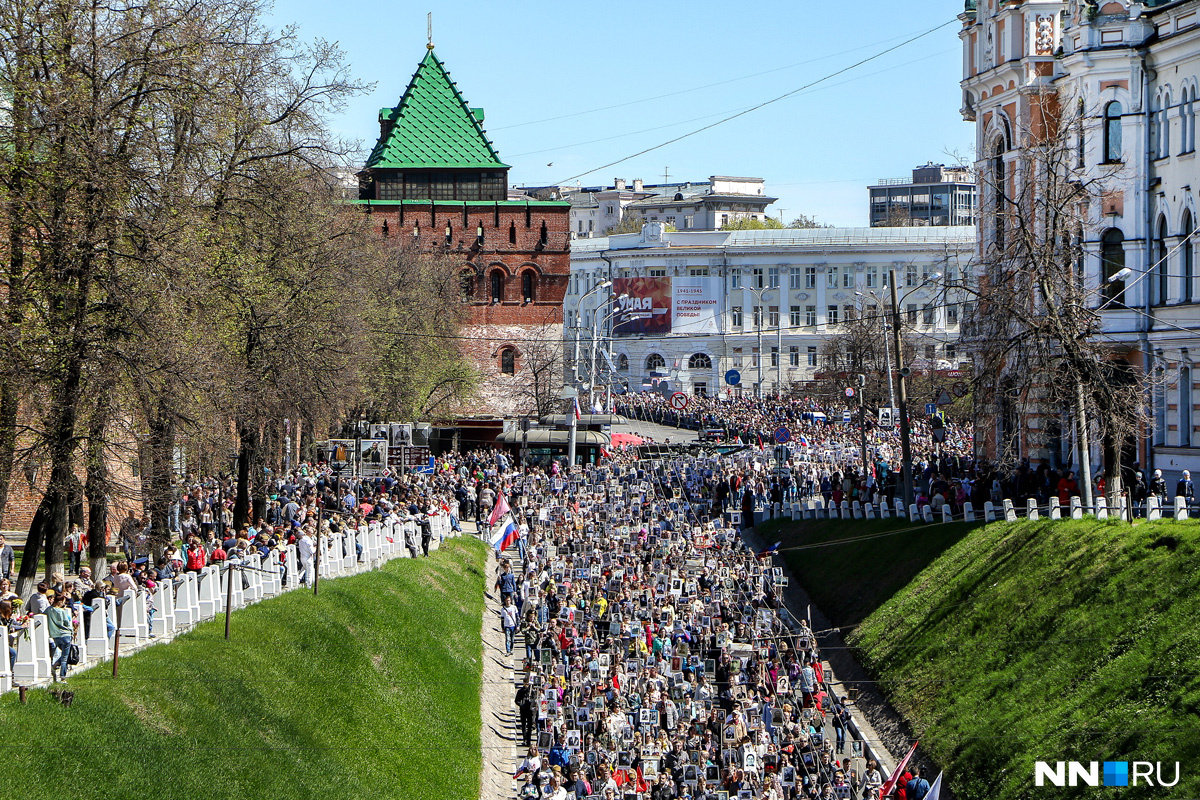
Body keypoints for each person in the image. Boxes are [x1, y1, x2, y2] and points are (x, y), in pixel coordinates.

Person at [45, 591, 75, 681]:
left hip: (55, 635)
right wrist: (72, 632)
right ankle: (62, 676)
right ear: (60, 602)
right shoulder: (62, 611)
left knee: (63, 653)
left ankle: (56, 665)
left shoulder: (48, 610)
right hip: (65, 634)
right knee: (65, 656)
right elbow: (67, 622)